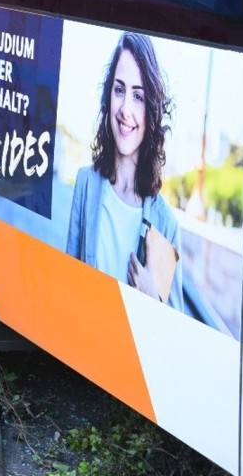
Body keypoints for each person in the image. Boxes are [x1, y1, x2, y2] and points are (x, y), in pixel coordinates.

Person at [66, 32, 181, 308]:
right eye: (119, 90)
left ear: (151, 110)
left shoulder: (166, 222)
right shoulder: (86, 184)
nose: (125, 109)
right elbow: (67, 282)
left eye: (138, 96)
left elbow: (175, 332)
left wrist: (152, 297)